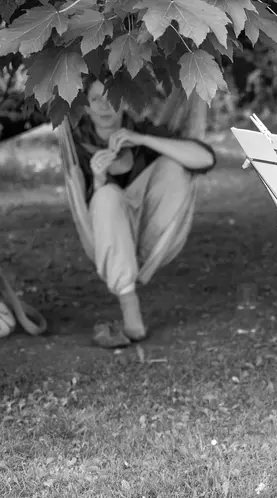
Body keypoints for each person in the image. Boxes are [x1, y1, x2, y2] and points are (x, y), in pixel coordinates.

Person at [71, 75, 216, 348]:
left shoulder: (142, 131)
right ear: (86, 107)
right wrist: (99, 179)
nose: (104, 107)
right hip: (109, 236)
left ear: (124, 102)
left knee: (175, 165)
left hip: (150, 232)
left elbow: (206, 159)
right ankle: (131, 311)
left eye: (110, 98)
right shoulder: (77, 145)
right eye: (95, 100)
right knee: (105, 195)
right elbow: (92, 208)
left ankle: (139, 262)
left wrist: (142, 139)